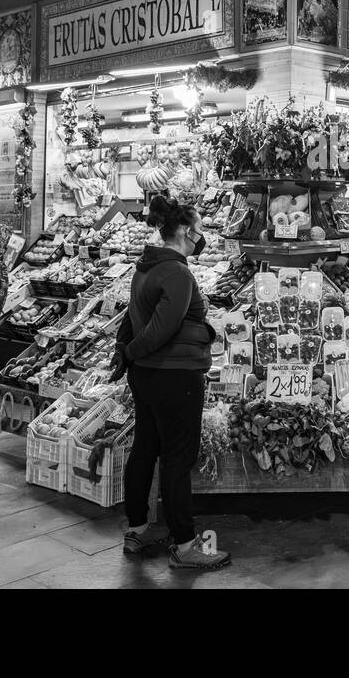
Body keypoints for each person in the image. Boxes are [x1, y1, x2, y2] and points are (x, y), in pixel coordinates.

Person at [111, 196, 228, 570]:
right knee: (178, 459)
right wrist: (129, 352)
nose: (201, 237)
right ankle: (185, 543)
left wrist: (128, 353)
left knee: (145, 448)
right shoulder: (177, 272)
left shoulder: (147, 266)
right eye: (198, 230)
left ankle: (139, 529)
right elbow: (162, 329)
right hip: (174, 375)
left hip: (146, 376)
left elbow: (131, 318)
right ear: (182, 230)